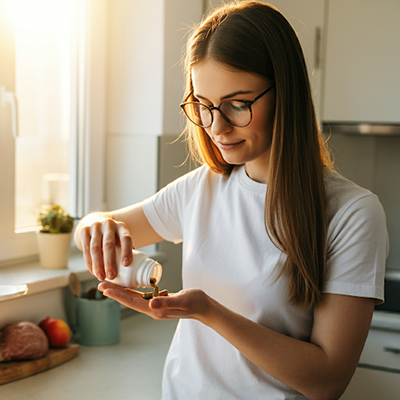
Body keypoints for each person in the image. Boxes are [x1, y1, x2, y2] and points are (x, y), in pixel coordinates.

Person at [74, 2, 388, 399]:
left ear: (285, 93)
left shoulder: (352, 213)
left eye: (238, 104)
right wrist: (96, 225)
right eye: (203, 106)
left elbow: (327, 381)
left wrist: (207, 311)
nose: (216, 127)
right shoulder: (200, 188)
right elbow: (96, 225)